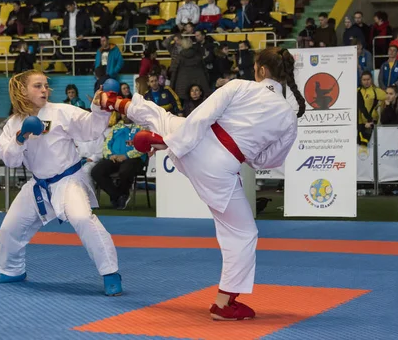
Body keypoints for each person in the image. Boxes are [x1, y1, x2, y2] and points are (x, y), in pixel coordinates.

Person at [101, 47, 305, 321]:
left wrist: (171, 142)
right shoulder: (288, 117)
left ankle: (114, 102)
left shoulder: (239, 86)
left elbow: (202, 116)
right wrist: (247, 152)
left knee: (165, 118)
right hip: (221, 169)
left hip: (195, 143)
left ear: (261, 70)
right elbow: (268, 161)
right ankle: (224, 303)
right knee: (242, 233)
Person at [0, 71, 122, 297]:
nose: (44, 90)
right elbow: (10, 159)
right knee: (10, 228)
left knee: (82, 219)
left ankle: (110, 273)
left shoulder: (61, 111)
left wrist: (100, 107)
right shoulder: (13, 124)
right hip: (38, 185)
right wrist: (21, 137)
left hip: (68, 181)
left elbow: (91, 128)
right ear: (23, 91)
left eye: (46, 86)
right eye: (37, 86)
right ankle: (12, 270)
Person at [90, 114, 146, 210]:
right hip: (115, 158)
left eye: (128, 112)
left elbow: (143, 147)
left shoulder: (141, 127)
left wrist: (126, 156)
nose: (126, 115)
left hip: (134, 159)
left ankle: (123, 194)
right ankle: (118, 195)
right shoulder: (116, 127)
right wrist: (110, 155)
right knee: (96, 171)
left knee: (124, 171)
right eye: (123, 112)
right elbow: (107, 144)